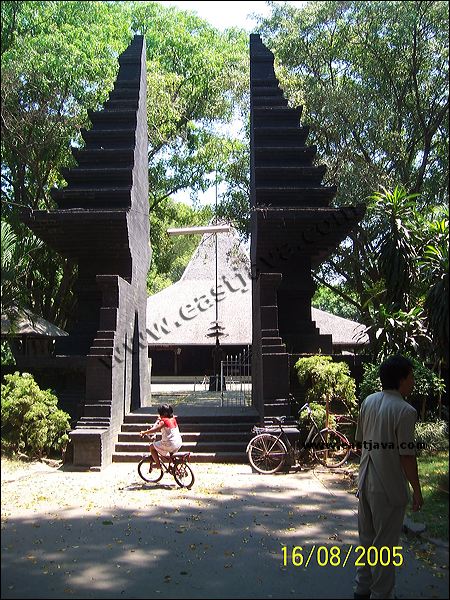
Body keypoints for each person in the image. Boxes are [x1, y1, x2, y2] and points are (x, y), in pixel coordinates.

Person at [354, 354, 424, 600]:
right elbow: (406, 456)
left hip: (365, 479)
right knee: (385, 545)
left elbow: (360, 441)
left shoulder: (368, 402)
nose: (413, 382)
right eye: (411, 377)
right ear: (401, 380)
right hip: (388, 485)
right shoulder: (405, 411)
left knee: (367, 539)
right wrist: (416, 488)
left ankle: (362, 588)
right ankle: (381, 594)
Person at [139, 404, 182, 470]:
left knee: (152, 447)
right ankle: (174, 467)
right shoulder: (173, 419)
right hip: (178, 442)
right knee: (170, 454)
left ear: (163, 413)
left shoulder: (164, 421)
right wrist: (160, 419)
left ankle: (158, 464)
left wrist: (144, 432)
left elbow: (156, 429)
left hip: (170, 444)